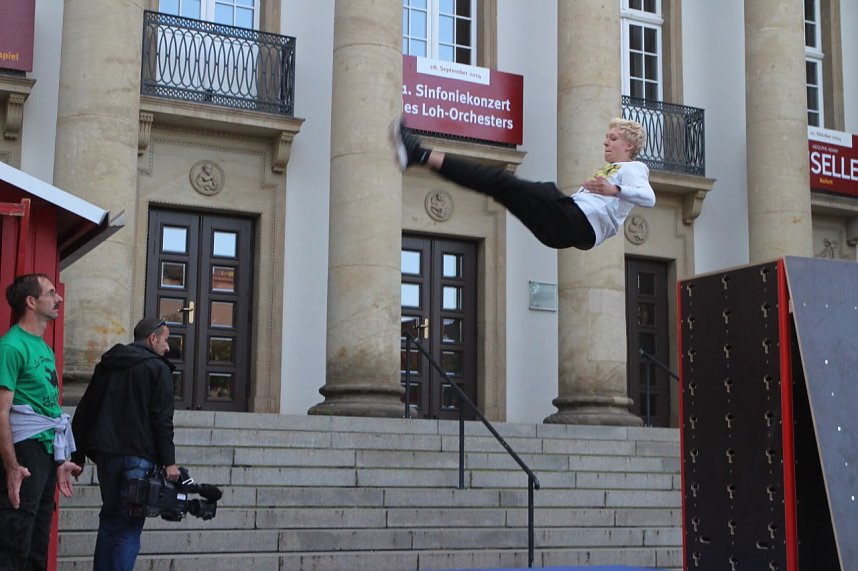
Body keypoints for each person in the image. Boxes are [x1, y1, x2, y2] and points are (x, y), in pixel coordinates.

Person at [393, 117, 656, 249]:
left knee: (506, 182)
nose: (606, 142)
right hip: (562, 232)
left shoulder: (634, 168)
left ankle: (419, 154)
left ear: (628, 145)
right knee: (498, 186)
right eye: (606, 137)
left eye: (612, 138)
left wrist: (615, 189)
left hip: (575, 222)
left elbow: (649, 197)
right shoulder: (613, 167)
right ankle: (419, 156)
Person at [71, 317, 180, 571]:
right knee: (129, 529)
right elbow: (162, 420)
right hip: (139, 458)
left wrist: (76, 455)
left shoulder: (108, 364)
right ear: (152, 339)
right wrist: (169, 462)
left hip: (106, 457)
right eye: (165, 340)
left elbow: (85, 409)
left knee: (109, 521)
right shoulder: (158, 368)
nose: (167, 348)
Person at [0, 273, 83, 570]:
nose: (58, 298)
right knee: (16, 535)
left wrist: (60, 460)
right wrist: (11, 466)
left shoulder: (44, 347)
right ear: (31, 302)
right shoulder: (11, 346)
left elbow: (49, 410)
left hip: (47, 450)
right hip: (25, 449)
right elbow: (1, 412)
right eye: (51, 293)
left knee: (38, 539)